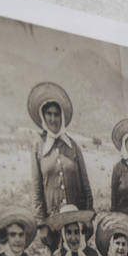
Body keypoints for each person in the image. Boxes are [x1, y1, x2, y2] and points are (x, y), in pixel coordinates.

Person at [28, 81, 93, 223]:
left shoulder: (72, 146)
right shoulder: (38, 146)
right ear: (43, 116)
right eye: (49, 114)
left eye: (56, 114)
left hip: (76, 221)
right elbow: (37, 190)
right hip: (51, 221)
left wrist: (87, 217)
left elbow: (86, 186)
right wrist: (40, 223)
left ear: (62, 117)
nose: (53, 119)